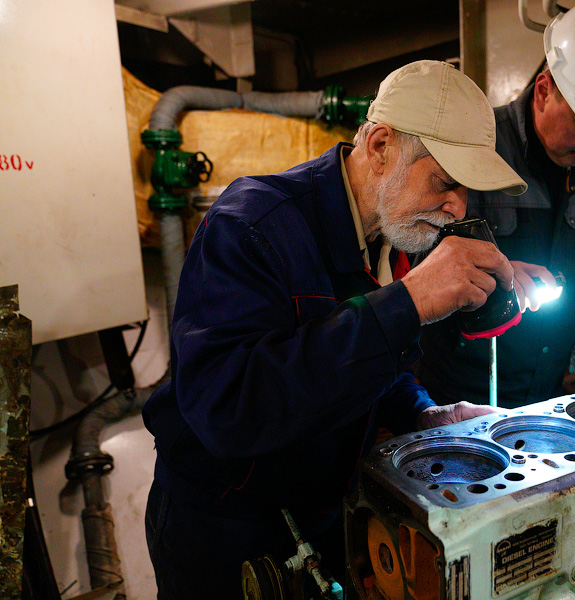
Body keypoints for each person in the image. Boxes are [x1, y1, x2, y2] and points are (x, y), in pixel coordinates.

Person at [141, 59, 528, 600]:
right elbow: (228, 411)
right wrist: (408, 304)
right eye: (444, 182)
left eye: (465, 190)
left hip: (320, 517)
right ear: (380, 146)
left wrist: (420, 412)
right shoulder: (250, 226)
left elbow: (372, 369)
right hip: (225, 531)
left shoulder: (393, 238)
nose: (457, 207)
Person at [416, 0, 575, 409]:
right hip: (463, 396)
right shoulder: (476, 151)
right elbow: (418, 258)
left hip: (553, 392)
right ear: (544, 91)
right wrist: (496, 274)